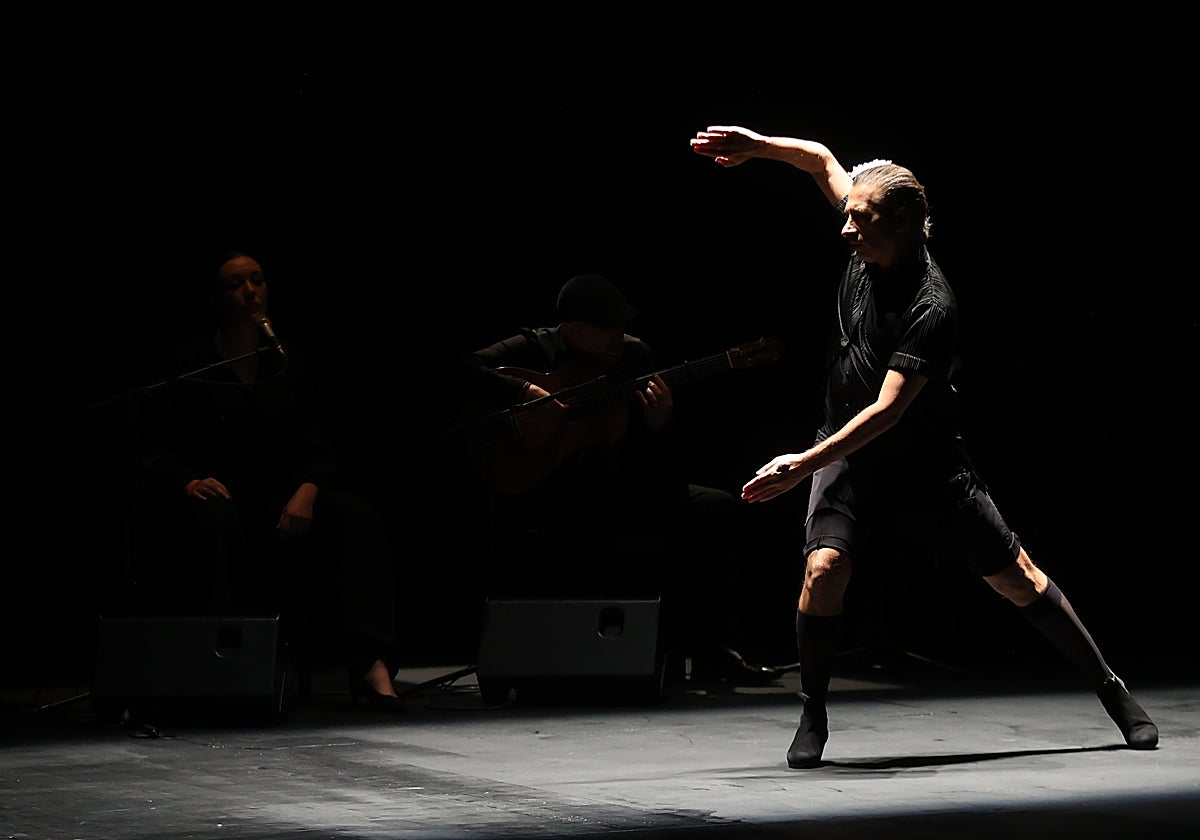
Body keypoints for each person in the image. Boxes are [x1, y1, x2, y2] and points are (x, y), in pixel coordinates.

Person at [689, 125, 1159, 766]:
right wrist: (758, 144)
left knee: (1018, 580)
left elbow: (887, 412)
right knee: (823, 571)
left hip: (923, 464)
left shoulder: (933, 306)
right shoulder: (863, 231)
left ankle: (1110, 688)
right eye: (848, 214)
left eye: (862, 219)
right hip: (845, 456)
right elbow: (820, 159)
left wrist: (802, 465)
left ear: (906, 222)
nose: (846, 229)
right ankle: (814, 714)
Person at [448, 273, 780, 686]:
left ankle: (709, 652)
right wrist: (525, 392)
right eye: (610, 330)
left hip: (618, 486)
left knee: (716, 507)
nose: (620, 337)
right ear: (573, 330)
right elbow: (461, 367)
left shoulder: (634, 358)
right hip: (546, 489)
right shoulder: (537, 347)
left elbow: (646, 453)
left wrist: (659, 422)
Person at [137, 247, 405, 712]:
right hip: (222, 496)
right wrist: (187, 481)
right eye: (236, 284)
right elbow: (156, 448)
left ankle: (369, 663)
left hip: (282, 500)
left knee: (353, 514)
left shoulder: (284, 360)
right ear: (217, 298)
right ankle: (226, 671)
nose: (249, 291)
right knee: (213, 521)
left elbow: (320, 447)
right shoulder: (190, 361)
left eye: (257, 280)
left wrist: (308, 489)